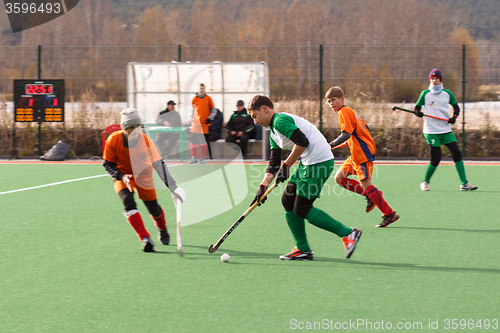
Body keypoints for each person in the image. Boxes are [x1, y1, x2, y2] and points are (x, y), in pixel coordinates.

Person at [247, 95, 362, 261]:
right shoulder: (273, 132)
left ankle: (349, 233)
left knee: (302, 207)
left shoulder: (280, 121)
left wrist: (287, 166)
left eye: (255, 116)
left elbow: (302, 142)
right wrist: (263, 187)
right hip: (308, 162)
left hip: (319, 161)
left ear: (264, 109)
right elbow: (273, 163)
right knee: (288, 201)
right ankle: (302, 249)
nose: (255, 122)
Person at [103, 108, 186, 252]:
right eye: (131, 128)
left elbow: (160, 166)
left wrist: (174, 188)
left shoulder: (146, 142)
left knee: (153, 209)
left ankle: (162, 228)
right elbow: (107, 164)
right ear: (124, 128)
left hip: (144, 176)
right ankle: (145, 238)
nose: (135, 130)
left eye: (137, 126)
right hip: (124, 176)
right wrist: (121, 176)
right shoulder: (113, 140)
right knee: (128, 203)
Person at [325, 86, 399, 228]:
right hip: (355, 154)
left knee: (367, 184)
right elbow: (364, 128)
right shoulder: (350, 111)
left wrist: (332, 144)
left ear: (342, 99)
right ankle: (370, 195)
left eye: (333, 100)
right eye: (328, 102)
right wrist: (348, 142)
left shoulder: (343, 111)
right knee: (339, 178)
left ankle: (389, 214)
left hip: (362, 153)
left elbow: (347, 133)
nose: (331, 104)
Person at [414, 69, 478, 191]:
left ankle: (464, 184)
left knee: (457, 154)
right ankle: (425, 182)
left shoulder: (447, 94)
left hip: (445, 130)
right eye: (432, 79)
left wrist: (454, 117)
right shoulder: (425, 94)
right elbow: (417, 107)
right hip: (431, 131)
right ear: (430, 80)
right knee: (436, 158)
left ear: (440, 80)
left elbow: (456, 107)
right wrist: (418, 113)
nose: (434, 81)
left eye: (436, 78)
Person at [190, 83, 216, 164]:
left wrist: (210, 118)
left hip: (204, 124)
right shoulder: (194, 98)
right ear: (198, 89)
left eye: (203, 88)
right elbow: (193, 109)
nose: (201, 90)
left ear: (204, 89)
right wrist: (191, 118)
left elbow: (213, 110)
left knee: (202, 142)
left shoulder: (208, 98)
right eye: (200, 88)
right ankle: (193, 157)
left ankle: (202, 158)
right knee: (193, 141)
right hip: (195, 124)